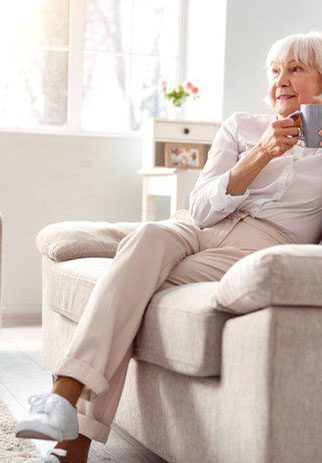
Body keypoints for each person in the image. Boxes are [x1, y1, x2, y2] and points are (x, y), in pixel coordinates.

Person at [17, 30, 322, 463]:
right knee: (146, 237)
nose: (281, 80)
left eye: (296, 69)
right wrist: (261, 154)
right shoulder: (242, 126)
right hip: (199, 227)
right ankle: (64, 405)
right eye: (275, 70)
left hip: (260, 245)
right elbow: (198, 208)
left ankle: (70, 427)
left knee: (133, 290)